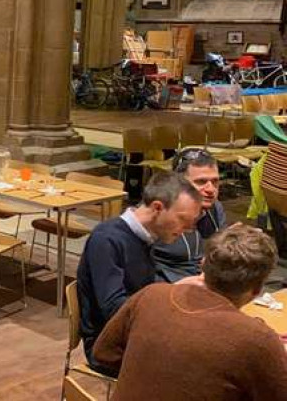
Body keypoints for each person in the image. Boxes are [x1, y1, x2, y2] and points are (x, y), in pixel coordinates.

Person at [93, 225, 287, 400]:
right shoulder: (257, 339)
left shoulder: (151, 295)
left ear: (202, 265)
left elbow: (104, 353)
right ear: (258, 289)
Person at [77, 171, 203, 375]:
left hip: (137, 333)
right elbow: (113, 309)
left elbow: (142, 291)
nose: (188, 229)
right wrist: (169, 294)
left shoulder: (146, 238)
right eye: (182, 220)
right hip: (107, 346)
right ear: (157, 208)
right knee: (197, 367)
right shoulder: (107, 239)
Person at [153, 148, 225, 282]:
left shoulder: (215, 209)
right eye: (201, 182)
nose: (211, 190)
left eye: (215, 182)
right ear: (178, 183)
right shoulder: (158, 213)